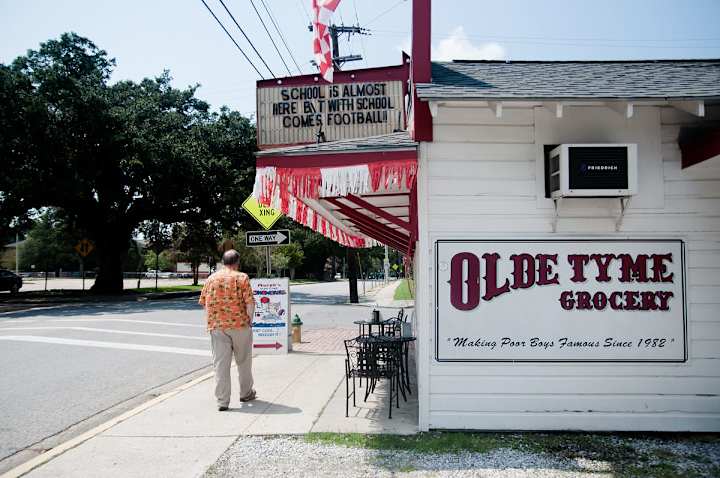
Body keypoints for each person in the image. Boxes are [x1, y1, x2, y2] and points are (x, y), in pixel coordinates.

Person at [199, 249, 256, 411]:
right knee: (243, 361)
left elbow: (204, 302)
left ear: (223, 262)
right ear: (237, 262)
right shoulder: (242, 278)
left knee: (220, 364)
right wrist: (249, 320)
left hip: (217, 327)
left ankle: (222, 401)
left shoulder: (210, 279)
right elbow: (250, 303)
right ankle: (246, 393)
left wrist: (211, 322)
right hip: (240, 326)